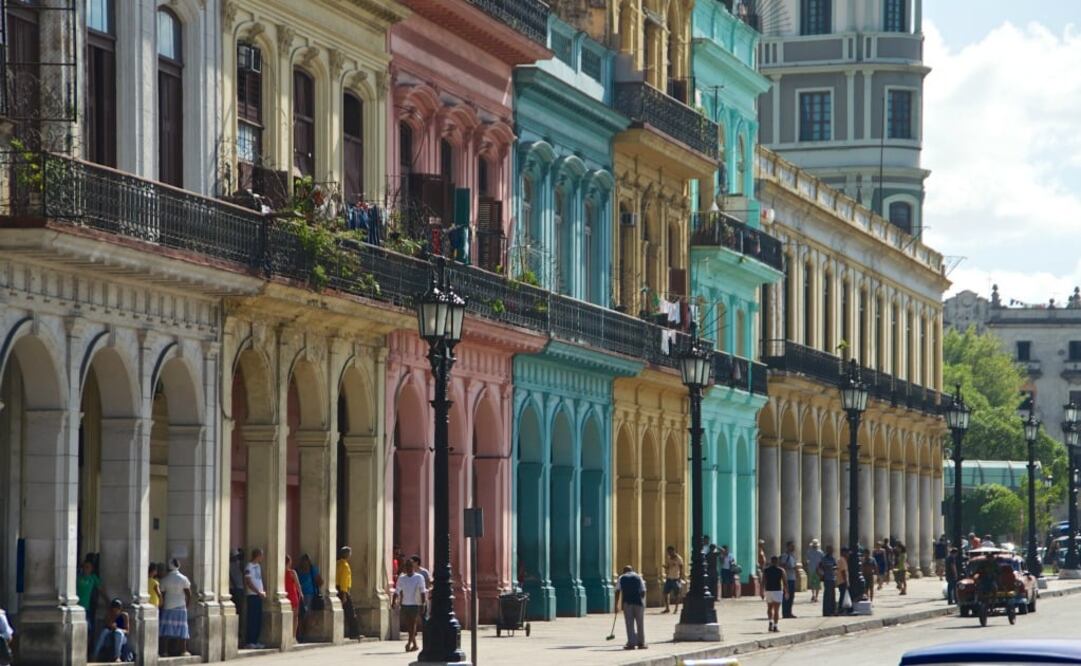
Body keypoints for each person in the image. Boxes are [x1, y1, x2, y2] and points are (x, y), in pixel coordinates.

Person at [159, 559, 193, 657]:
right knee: (182, 629)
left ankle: (164, 651)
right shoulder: (183, 578)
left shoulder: (165, 579)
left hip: (168, 606)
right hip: (181, 606)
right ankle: (183, 651)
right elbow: (188, 593)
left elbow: (163, 594)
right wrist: (187, 604)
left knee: (166, 629)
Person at [393, 558, 426, 653]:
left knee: (413, 624)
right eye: (406, 566)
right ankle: (415, 645)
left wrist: (423, 603)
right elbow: (397, 590)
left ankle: (408, 643)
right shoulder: (402, 578)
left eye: (410, 566)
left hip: (415, 604)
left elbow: (422, 591)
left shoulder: (419, 577)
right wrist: (393, 601)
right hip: (405, 604)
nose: (408, 568)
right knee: (409, 626)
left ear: (413, 567)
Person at [615, 565, 646, 650]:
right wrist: (642, 602)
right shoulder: (638, 577)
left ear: (624, 571)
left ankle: (631, 643)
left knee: (629, 623)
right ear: (632, 570)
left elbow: (617, 591)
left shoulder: (622, 578)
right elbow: (643, 591)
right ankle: (641, 643)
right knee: (640, 623)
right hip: (638, 603)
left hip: (627, 603)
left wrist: (616, 605)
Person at [77, 558, 107, 646]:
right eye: (84, 567)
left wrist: (107, 601)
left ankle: (87, 647)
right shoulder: (78, 577)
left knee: (89, 628)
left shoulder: (93, 578)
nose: (86, 569)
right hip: (78, 606)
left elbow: (101, 589)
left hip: (88, 607)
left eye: (88, 567)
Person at [92, 598, 130, 662]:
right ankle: (95, 655)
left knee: (118, 633)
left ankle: (117, 656)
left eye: (117, 608)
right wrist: (111, 624)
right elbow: (107, 625)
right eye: (114, 608)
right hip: (110, 636)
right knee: (104, 631)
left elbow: (127, 631)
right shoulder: (109, 614)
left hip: (121, 637)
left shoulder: (124, 615)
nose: (115, 610)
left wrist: (117, 629)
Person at [243, 549, 266, 649]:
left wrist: (262, 591)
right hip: (252, 595)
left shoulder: (258, 567)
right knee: (252, 618)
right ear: (257, 555)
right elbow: (248, 582)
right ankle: (250, 641)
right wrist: (258, 591)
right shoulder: (249, 567)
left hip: (259, 595)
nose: (262, 558)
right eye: (261, 556)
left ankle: (256, 640)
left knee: (258, 619)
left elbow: (259, 580)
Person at [337, 547, 360, 639]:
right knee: (351, 612)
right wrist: (344, 594)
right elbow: (344, 580)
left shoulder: (337, 563)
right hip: (343, 590)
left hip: (337, 588)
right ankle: (354, 633)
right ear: (346, 554)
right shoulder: (345, 565)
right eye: (349, 553)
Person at [296, 553, 322, 637]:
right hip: (301, 595)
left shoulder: (312, 570)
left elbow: (320, 581)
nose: (305, 563)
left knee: (305, 614)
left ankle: (304, 633)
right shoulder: (298, 570)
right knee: (302, 614)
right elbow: (320, 582)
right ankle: (301, 633)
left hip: (308, 595)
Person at [763, 556, 787, 633]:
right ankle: (775, 626)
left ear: (771, 561)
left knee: (769, 607)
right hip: (777, 591)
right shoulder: (781, 570)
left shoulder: (766, 570)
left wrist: (761, 591)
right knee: (776, 610)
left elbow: (763, 581)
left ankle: (770, 622)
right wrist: (787, 592)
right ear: (777, 562)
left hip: (768, 590)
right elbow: (785, 582)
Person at [228, 548, 246, 645]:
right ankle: (237, 635)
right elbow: (231, 577)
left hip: (240, 588)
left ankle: (239, 635)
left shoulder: (239, 565)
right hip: (236, 590)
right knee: (238, 611)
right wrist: (235, 586)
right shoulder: (231, 565)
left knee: (240, 612)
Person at [284, 556, 302, 641]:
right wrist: (301, 594)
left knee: (288, 616)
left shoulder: (281, 573)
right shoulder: (292, 572)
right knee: (295, 617)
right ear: (289, 562)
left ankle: (287, 634)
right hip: (293, 595)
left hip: (285, 595)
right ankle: (293, 636)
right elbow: (298, 585)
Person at [662, 546, 683, 614]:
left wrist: (680, 578)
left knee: (676, 594)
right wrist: (665, 567)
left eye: (670, 551)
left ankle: (676, 608)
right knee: (665, 593)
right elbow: (668, 566)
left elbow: (681, 568)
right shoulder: (669, 558)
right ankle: (667, 608)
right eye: (668, 552)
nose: (669, 553)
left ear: (673, 551)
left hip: (675, 578)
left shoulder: (679, 558)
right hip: (669, 578)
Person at [780, 541, 798, 619]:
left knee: (791, 596)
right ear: (788, 547)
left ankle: (789, 612)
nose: (793, 548)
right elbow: (782, 566)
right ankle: (785, 612)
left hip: (792, 578)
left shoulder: (792, 556)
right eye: (791, 546)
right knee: (786, 595)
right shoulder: (785, 556)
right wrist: (791, 568)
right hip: (787, 578)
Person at [818, 545, 837, 616]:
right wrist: (821, 575)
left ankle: (832, 611)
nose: (831, 551)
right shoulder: (824, 559)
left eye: (832, 550)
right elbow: (819, 567)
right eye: (830, 550)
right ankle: (826, 612)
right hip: (827, 578)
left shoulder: (833, 558)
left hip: (832, 578)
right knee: (827, 596)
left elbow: (835, 567)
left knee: (832, 596)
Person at [836, 547, 851, 615]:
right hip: (842, 581)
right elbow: (843, 571)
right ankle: (840, 609)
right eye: (847, 553)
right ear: (843, 552)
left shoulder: (840, 560)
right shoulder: (842, 560)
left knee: (842, 595)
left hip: (839, 580)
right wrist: (846, 581)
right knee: (842, 596)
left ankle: (841, 609)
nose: (848, 554)